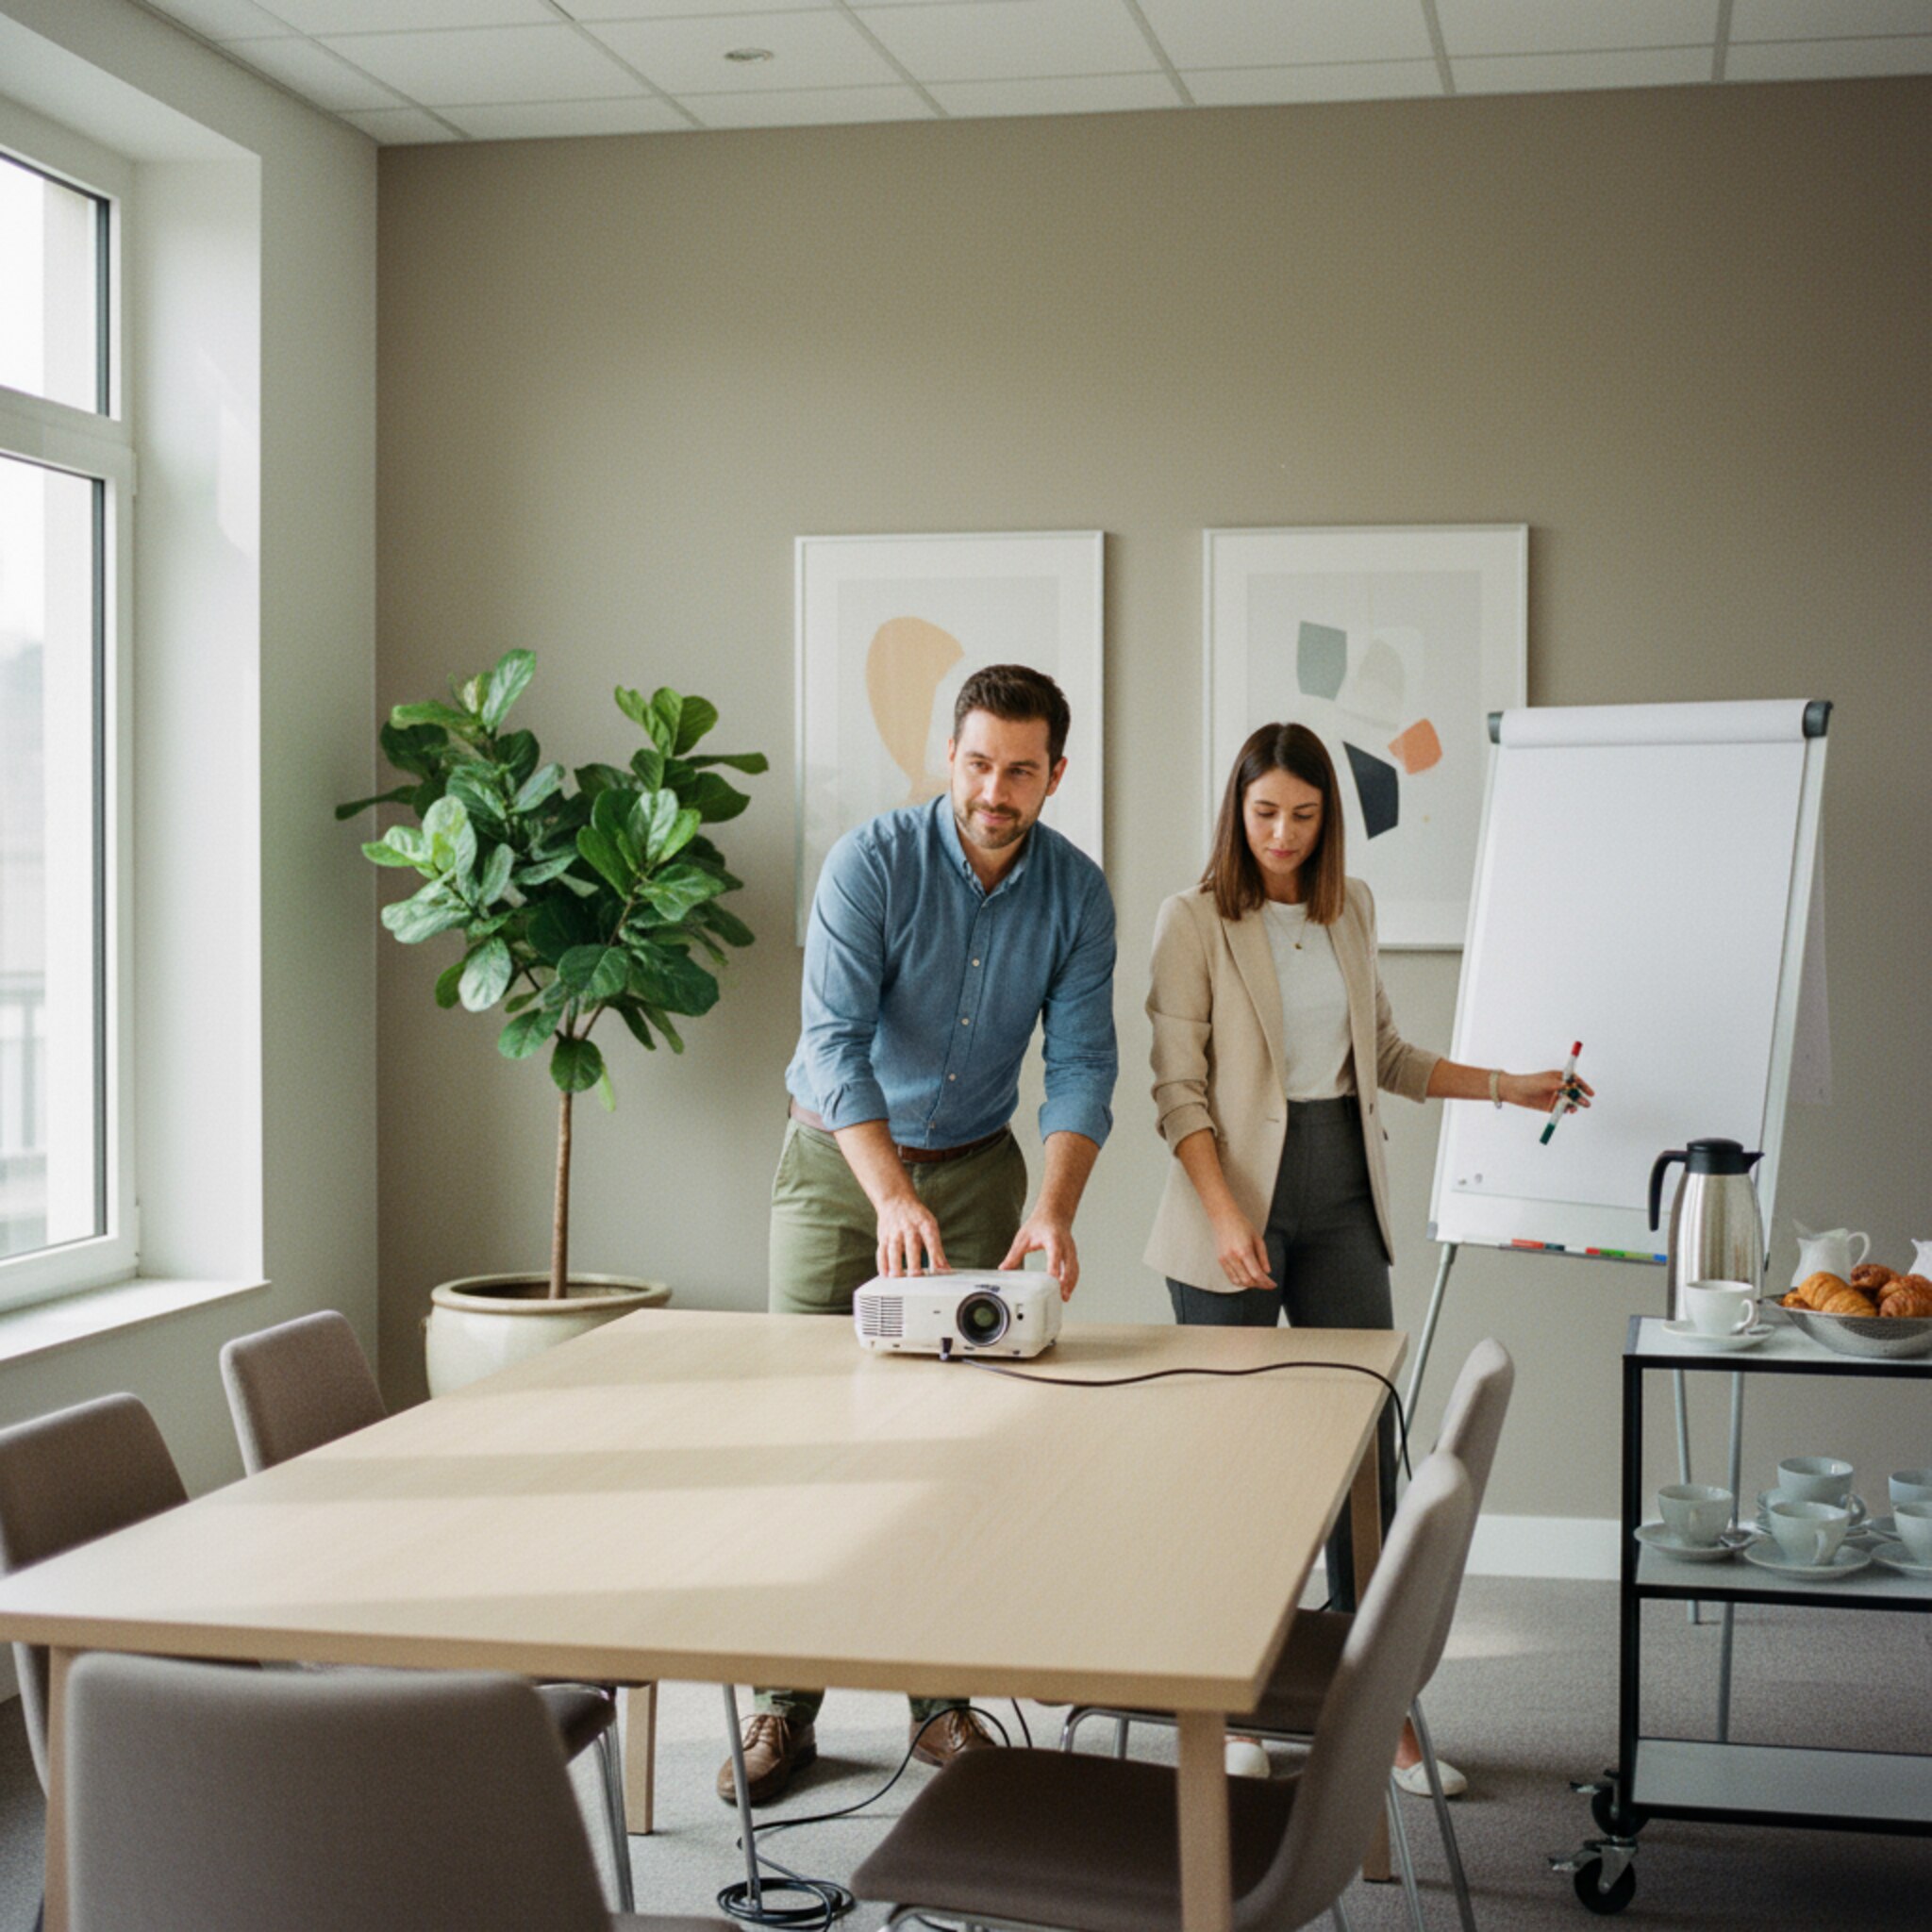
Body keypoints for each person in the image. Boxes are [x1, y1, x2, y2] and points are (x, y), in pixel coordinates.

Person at [1144, 722, 1590, 1790]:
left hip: (1342, 1186)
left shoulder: (1352, 910)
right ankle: (1230, 1702)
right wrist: (1219, 1212)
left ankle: (1376, 1708)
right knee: (1237, 1467)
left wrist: (1509, 1084)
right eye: (1263, 814)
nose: (1283, 834)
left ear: (1327, 818)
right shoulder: (1192, 918)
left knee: (1363, 1462)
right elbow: (1176, 1086)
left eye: (1303, 814)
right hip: (1230, 1199)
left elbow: (1381, 1054)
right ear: (1235, 812)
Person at [719, 662, 1118, 1807]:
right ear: (950, 755)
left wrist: (1051, 1208)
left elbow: (1082, 1063)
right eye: (980, 761)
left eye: (1022, 769)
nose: (997, 788)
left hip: (984, 1170)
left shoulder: (1075, 895)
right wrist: (891, 1194)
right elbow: (833, 1042)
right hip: (838, 1170)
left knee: (956, 1450)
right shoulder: (870, 863)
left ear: (1054, 773)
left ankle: (941, 1703)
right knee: (804, 1438)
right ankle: (778, 1710)